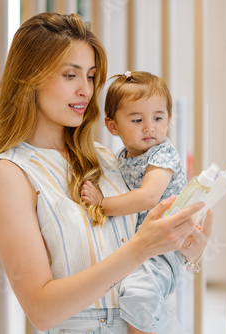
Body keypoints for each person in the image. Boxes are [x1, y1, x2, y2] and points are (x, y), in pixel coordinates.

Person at [0, 12, 213, 333]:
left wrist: (190, 246)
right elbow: (41, 311)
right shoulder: (9, 173)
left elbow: (149, 258)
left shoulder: (105, 157)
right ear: (30, 78)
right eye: (70, 75)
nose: (86, 89)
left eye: (91, 76)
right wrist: (140, 247)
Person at [81, 71, 194, 334]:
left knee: (140, 292)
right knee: (126, 287)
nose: (149, 127)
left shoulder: (163, 154)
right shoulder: (121, 157)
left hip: (165, 244)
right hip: (144, 244)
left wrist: (102, 203)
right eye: (136, 119)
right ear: (113, 126)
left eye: (158, 118)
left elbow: (148, 197)